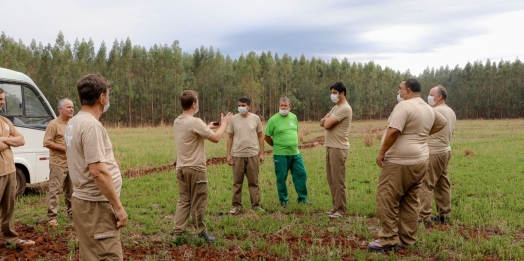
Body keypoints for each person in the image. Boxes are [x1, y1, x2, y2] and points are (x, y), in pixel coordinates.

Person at [368, 79, 447, 251]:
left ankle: (388, 239)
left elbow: (394, 130)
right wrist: (421, 133)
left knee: (387, 198)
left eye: (400, 89)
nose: (399, 92)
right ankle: (408, 238)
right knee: (410, 200)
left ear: (408, 90)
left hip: (399, 162)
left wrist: (382, 152)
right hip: (420, 161)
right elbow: (442, 123)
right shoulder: (427, 108)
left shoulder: (403, 106)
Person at [65, 74, 128, 260]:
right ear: (102, 97)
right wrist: (118, 207)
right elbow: (98, 172)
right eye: (108, 94)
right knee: (107, 255)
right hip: (96, 206)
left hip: (84, 202)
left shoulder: (73, 122)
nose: (108, 99)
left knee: (91, 254)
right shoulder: (91, 125)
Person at [172, 90, 232, 243]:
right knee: (199, 201)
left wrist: (208, 126)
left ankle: (177, 234)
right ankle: (201, 232)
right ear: (193, 104)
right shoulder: (195, 122)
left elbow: (192, 133)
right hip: (196, 169)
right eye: (197, 101)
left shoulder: (178, 121)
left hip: (181, 168)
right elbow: (216, 138)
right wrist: (224, 124)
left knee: (184, 201)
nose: (198, 103)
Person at [0, 88, 35, 248]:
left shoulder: (5, 121)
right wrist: (9, 140)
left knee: (9, 208)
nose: (2, 102)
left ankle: (11, 239)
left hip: (10, 172)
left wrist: (4, 140)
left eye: (2, 99)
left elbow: (21, 139)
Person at [418, 85, 456, 225]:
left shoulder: (434, 111)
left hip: (433, 151)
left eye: (431, 94)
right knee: (442, 183)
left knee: (426, 183)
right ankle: (444, 214)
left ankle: (424, 216)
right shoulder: (450, 111)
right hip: (445, 150)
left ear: (439, 97)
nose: (428, 96)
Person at [264, 97, 310, 207]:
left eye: (285, 105)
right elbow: (267, 137)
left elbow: (295, 132)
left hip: (295, 153)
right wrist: (276, 145)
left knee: (301, 174)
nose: (283, 107)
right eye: (281, 105)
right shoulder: (273, 119)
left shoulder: (294, 117)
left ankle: (302, 198)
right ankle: (283, 200)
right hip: (280, 154)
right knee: (281, 177)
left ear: (290, 107)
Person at [227, 97, 265, 214]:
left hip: (252, 154)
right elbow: (229, 137)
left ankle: (256, 205)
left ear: (249, 106)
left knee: (253, 182)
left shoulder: (256, 118)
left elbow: (260, 135)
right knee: (237, 182)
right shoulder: (233, 119)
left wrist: (262, 152)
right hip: (238, 155)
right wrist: (228, 154)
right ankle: (236, 206)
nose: (241, 107)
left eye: (243, 105)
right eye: (239, 105)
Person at [320, 82, 353, 219]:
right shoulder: (336, 108)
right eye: (331, 92)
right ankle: (335, 207)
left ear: (342, 93)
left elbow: (326, 123)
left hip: (338, 148)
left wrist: (325, 121)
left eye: (334, 92)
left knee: (338, 180)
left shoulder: (344, 108)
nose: (332, 95)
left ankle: (341, 209)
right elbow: (322, 121)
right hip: (330, 146)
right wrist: (324, 120)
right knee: (331, 178)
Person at [44, 98, 74, 226]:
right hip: (58, 163)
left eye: (72, 107)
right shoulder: (53, 124)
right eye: (68, 107)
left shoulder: (73, 124)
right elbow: (47, 142)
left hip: (72, 163)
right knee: (55, 190)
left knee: (72, 190)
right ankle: (52, 217)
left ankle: (72, 213)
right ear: (60, 109)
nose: (71, 109)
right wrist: (65, 149)